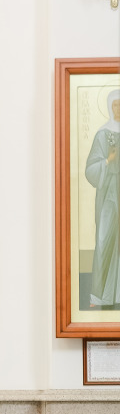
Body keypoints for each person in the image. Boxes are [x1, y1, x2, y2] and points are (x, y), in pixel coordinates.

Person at [86, 89, 120, 307]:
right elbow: (90, 168)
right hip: (109, 193)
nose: (119, 109)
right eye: (116, 105)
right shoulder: (102, 134)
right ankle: (99, 296)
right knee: (104, 238)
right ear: (110, 107)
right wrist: (107, 161)